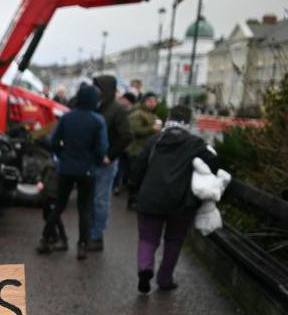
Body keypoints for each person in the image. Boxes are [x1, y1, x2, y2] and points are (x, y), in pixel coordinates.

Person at [129, 105, 219, 293]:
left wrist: (135, 190)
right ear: (189, 121)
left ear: (169, 119)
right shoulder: (195, 144)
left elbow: (138, 167)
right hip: (181, 201)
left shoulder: (154, 141)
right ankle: (165, 278)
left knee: (147, 237)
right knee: (174, 240)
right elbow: (213, 164)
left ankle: (145, 268)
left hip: (150, 198)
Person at [45, 83, 108, 260]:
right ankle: (82, 245)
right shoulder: (98, 120)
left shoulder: (67, 118)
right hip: (87, 170)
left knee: (59, 205)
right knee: (84, 209)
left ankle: (45, 238)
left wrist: (62, 156)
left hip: (66, 167)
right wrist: (94, 162)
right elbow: (102, 148)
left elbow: (54, 142)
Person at [90, 75, 133, 251]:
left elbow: (126, 135)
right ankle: (88, 233)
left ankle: (97, 236)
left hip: (105, 163)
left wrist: (110, 155)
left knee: (100, 200)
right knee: (89, 200)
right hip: (90, 160)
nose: (96, 90)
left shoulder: (117, 110)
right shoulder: (94, 105)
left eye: (98, 87)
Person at [120, 92, 161, 201]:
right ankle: (132, 199)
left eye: (155, 101)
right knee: (135, 176)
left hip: (146, 149)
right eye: (150, 101)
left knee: (142, 176)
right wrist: (152, 130)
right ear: (144, 101)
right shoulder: (137, 113)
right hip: (136, 150)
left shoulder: (153, 115)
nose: (153, 104)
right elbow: (134, 130)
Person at [35, 153, 67, 253]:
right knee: (46, 215)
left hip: (56, 195)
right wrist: (39, 181)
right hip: (46, 193)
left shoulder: (64, 164)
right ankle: (54, 235)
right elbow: (41, 173)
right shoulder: (48, 162)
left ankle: (60, 238)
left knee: (54, 217)